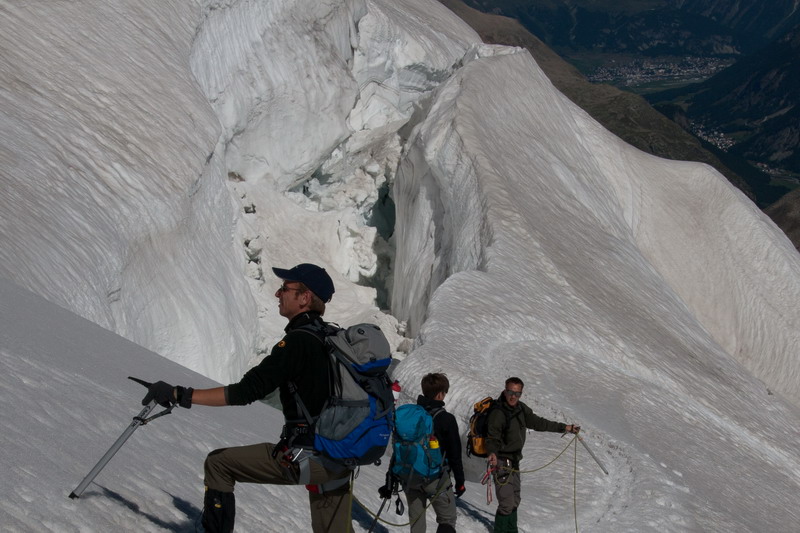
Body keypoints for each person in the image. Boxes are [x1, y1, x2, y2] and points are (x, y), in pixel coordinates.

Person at [140, 263, 353, 533]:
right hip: (343, 456)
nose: (278, 294)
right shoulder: (333, 338)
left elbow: (244, 392)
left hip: (310, 457)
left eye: (285, 288)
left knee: (219, 463)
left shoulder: (299, 342)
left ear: (304, 297)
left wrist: (179, 394)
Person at [485, 377, 580, 533]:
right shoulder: (497, 413)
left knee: (515, 500)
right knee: (507, 503)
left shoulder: (521, 409)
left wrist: (565, 428)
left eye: (517, 393)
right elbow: (492, 437)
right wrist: (492, 453)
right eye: (510, 392)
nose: (513, 396)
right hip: (501, 461)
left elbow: (539, 423)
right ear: (505, 390)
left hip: (515, 461)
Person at [382, 373, 465, 533]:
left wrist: (390, 477)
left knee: (417, 523)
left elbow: (399, 448)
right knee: (447, 520)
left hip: (409, 476)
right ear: (440, 393)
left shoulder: (410, 416)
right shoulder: (446, 419)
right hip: (435, 479)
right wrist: (460, 481)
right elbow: (454, 454)